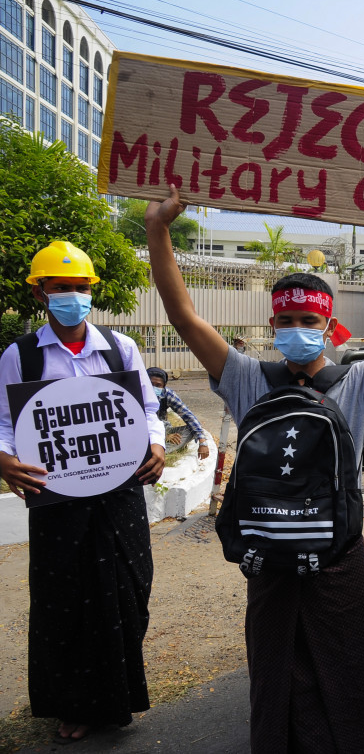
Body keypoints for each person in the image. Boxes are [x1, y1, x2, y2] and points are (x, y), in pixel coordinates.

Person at [144, 184, 364, 753]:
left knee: (350, 676)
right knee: (277, 678)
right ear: (274, 323)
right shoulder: (247, 377)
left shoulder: (362, 380)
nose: (295, 327)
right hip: (270, 559)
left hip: (337, 561)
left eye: (306, 318)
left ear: (327, 325)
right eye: (286, 317)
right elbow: (185, 317)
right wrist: (158, 231)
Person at [0, 241, 166, 744]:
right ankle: (73, 704)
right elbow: (6, 425)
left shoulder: (120, 348)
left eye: (80, 288)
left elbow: (147, 410)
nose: (72, 296)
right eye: (61, 288)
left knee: (128, 590)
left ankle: (117, 698)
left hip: (120, 495)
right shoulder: (20, 355)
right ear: (41, 292)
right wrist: (3, 459)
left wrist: (156, 444)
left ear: (91, 292)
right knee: (65, 599)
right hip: (58, 499)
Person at [147, 366, 211, 459]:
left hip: (164, 429)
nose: (154, 388)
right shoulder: (136, 395)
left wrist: (203, 442)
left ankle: (157, 453)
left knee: (191, 430)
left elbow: (187, 415)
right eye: (151, 384)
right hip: (144, 434)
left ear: (163, 386)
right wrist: (164, 436)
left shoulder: (167, 394)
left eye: (158, 385)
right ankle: (156, 453)